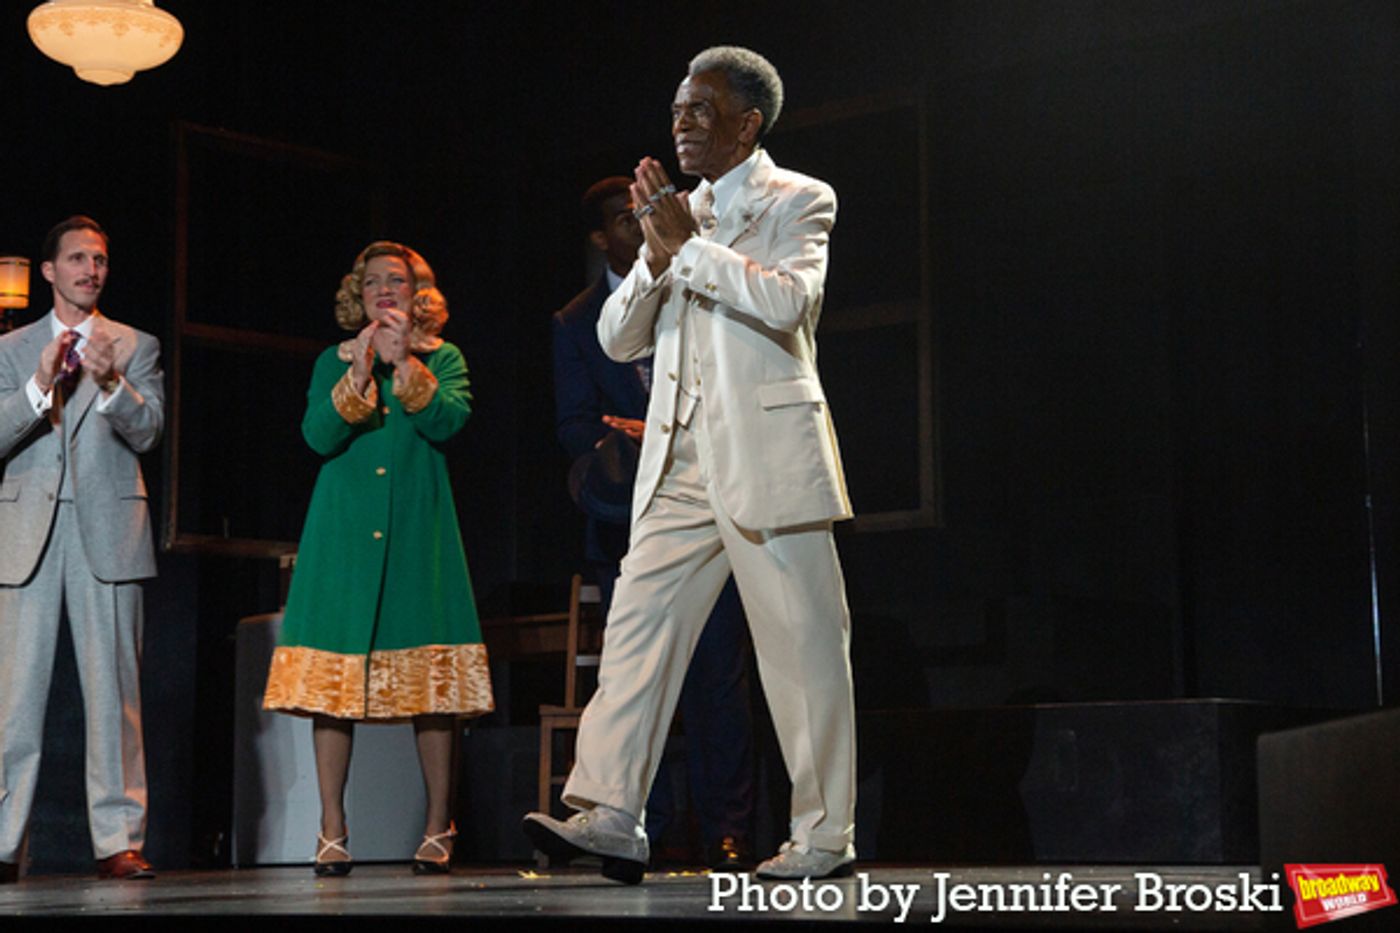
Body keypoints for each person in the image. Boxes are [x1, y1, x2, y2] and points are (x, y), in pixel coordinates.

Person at [524, 46, 857, 883]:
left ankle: (823, 836)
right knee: (637, 621)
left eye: (701, 111)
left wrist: (693, 249)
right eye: (676, 109)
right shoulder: (676, 213)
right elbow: (615, 337)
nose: (682, 123)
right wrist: (663, 254)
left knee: (801, 647)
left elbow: (789, 301)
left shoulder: (799, 198)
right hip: (679, 457)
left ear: (747, 124)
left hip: (768, 451)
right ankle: (611, 810)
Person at [262, 241, 494, 876]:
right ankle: (332, 827)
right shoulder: (331, 361)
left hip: (420, 533)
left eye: (398, 280)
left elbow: (450, 422)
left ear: (419, 293)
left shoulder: (442, 358)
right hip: (342, 534)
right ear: (357, 295)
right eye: (372, 283)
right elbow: (317, 435)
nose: (384, 290)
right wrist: (360, 373)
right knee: (335, 689)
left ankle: (436, 824)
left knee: (431, 686)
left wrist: (406, 370)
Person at [552, 177, 756, 869]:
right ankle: (640, 825)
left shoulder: (689, 282)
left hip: (709, 501)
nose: (638, 227)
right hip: (626, 520)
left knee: (718, 679)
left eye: (644, 213)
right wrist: (640, 433)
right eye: (622, 219)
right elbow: (576, 426)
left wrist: (673, 425)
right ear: (600, 236)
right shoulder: (576, 320)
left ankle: (727, 829)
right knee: (638, 678)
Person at [0, 216, 164, 883]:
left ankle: (118, 839)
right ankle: (4, 842)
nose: (90, 270)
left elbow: (149, 430)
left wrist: (109, 384)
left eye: (98, 259)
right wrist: (40, 386)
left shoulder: (135, 344)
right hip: (26, 534)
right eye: (76, 259)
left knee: (114, 696)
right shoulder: (11, 348)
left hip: (109, 530)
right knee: (12, 700)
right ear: (49, 271)